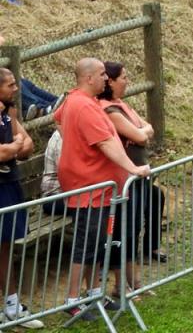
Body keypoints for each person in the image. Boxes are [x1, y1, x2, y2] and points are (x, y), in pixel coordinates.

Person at [55, 59, 151, 322]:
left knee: (98, 243)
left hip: (100, 187)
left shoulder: (78, 101)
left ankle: (93, 292)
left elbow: (58, 119)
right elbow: (107, 143)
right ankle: (74, 300)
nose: (105, 79)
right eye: (101, 75)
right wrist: (133, 168)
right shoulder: (84, 106)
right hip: (90, 188)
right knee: (87, 243)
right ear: (88, 78)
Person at [99, 61, 164, 291]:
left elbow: (147, 128)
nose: (127, 81)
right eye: (123, 77)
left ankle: (135, 283)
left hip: (138, 175)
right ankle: (122, 284)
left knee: (134, 229)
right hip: (125, 178)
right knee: (124, 232)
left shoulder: (121, 105)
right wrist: (140, 132)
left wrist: (141, 132)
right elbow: (140, 135)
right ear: (111, 81)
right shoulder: (109, 109)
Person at [0, 66, 41, 329]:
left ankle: (12, 306)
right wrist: (12, 149)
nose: (17, 88)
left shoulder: (8, 112)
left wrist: (12, 149)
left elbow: (27, 145)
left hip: (9, 184)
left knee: (5, 246)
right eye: (11, 85)